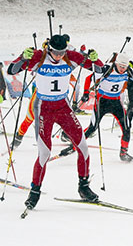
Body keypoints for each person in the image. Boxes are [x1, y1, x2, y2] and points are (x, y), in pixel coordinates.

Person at [7, 34, 103, 209]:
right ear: (48, 48)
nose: (59, 56)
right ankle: (34, 192)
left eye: (62, 52)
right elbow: (12, 71)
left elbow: (99, 71)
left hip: (63, 107)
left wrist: (96, 60)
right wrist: (23, 57)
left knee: (83, 146)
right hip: (43, 108)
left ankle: (84, 187)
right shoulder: (38, 57)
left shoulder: (71, 57)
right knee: (44, 153)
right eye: (55, 52)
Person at [58, 52, 133, 162]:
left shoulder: (129, 71)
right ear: (116, 63)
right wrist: (85, 92)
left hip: (116, 102)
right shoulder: (106, 70)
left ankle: (124, 153)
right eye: (121, 66)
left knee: (127, 127)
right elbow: (88, 78)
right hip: (102, 101)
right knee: (92, 128)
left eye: (125, 67)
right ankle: (73, 147)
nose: (123, 69)